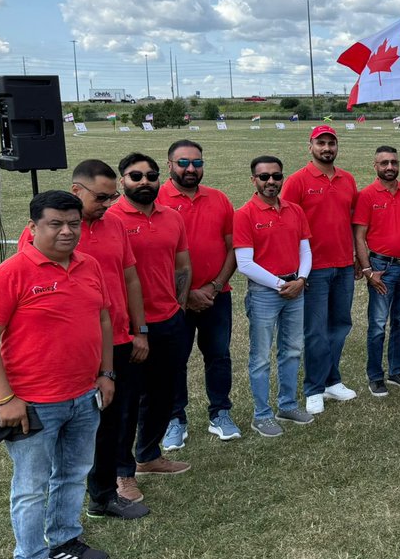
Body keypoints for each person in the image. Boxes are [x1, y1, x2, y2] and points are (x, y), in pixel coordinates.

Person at [0, 190, 114, 559]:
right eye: (56, 224)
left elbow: (102, 319)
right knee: (32, 485)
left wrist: (106, 372)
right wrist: (4, 399)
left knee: (73, 474)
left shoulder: (89, 265)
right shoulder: (10, 274)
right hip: (33, 403)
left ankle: (65, 541)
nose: (67, 231)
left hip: (84, 396)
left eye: (74, 223)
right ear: (33, 227)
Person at [16, 162, 149, 521]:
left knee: (115, 420)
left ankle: (104, 494)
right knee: (75, 431)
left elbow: (131, 278)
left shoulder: (116, 225)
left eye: (112, 196)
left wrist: (140, 330)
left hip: (116, 340)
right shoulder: (45, 234)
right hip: (74, 349)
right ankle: (59, 509)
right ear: (78, 191)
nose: (108, 203)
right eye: (101, 197)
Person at [108, 153, 192, 498]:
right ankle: (122, 473)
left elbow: (181, 265)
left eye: (151, 176)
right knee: (126, 403)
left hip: (169, 321)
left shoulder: (172, 217)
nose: (145, 182)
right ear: (121, 181)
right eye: (135, 176)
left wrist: (179, 306)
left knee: (163, 395)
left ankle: (149, 455)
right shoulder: (111, 220)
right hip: (129, 329)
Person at [157, 139, 238, 446]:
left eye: (197, 163)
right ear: (169, 165)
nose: (191, 169)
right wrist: (187, 293)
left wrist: (215, 286)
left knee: (218, 356)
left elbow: (233, 247)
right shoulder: (157, 200)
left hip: (217, 296)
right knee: (174, 361)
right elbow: (154, 257)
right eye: (184, 163)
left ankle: (220, 413)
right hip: (173, 300)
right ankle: (175, 418)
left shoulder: (218, 199)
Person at [282, 125, 360, 415]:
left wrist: (354, 259)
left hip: (343, 265)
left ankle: (331, 380)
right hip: (313, 269)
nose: (327, 148)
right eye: (321, 143)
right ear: (311, 146)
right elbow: (287, 224)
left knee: (339, 326)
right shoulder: (297, 181)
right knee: (315, 331)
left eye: (331, 143)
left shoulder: (347, 180)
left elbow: (351, 219)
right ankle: (313, 388)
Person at [233, 157, 314, 436]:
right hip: (265, 294)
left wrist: (301, 279)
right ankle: (262, 414)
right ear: (253, 180)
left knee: (292, 350)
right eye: (264, 177)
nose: (271, 182)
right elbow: (244, 263)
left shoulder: (294, 210)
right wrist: (282, 284)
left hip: (295, 287)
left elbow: (305, 250)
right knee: (261, 358)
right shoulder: (244, 214)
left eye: (276, 176)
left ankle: (287, 404)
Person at [353, 145, 400, 396]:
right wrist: (367, 270)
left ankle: (395, 371)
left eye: (393, 162)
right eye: (384, 163)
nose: (389, 167)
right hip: (381, 268)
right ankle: (375, 375)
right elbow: (359, 236)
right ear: (375, 166)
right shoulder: (367, 195)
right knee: (377, 324)